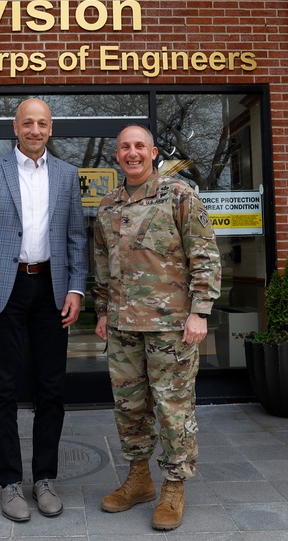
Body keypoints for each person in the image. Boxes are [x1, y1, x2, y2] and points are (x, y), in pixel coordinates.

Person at [0, 98, 88, 522]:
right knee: (4, 388)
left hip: (52, 287)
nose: (35, 130)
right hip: (5, 288)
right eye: (27, 123)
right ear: (15, 128)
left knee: (51, 388)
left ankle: (45, 478)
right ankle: (9, 482)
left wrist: (76, 287)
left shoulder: (68, 175)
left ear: (51, 129)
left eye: (42, 123)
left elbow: (76, 238)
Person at [93, 124, 221, 531]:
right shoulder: (108, 205)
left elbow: (204, 253)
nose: (132, 153)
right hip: (122, 325)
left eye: (139, 147)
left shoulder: (179, 194)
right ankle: (139, 478)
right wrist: (101, 311)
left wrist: (200, 311)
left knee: (172, 408)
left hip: (171, 326)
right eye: (125, 147)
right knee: (129, 408)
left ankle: (173, 485)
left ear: (153, 152)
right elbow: (101, 265)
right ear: (117, 155)